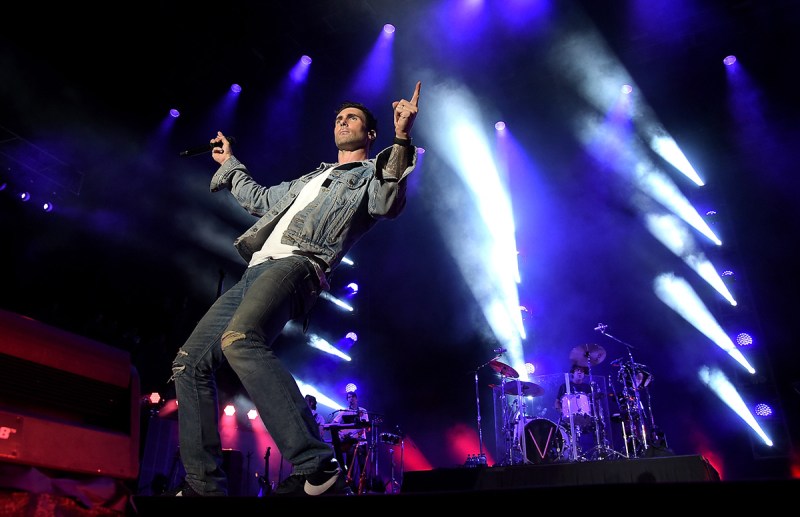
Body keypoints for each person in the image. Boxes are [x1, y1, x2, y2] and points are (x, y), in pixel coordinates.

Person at [169, 81, 421, 497]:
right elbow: (260, 199)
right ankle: (203, 485)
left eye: (352, 118)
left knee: (241, 340)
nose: (342, 122)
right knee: (188, 363)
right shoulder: (311, 177)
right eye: (338, 118)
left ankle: (317, 465)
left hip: (301, 264)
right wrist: (230, 162)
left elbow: (387, 204)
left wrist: (403, 137)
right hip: (256, 268)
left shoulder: (371, 173)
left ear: (370, 133)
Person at [329, 391, 370, 490]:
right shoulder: (344, 411)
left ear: (356, 399)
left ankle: (363, 489)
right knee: (349, 466)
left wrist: (363, 429)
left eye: (352, 397)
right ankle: (350, 488)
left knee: (362, 466)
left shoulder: (363, 411)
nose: (350, 399)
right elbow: (333, 423)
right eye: (348, 397)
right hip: (349, 443)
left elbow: (366, 427)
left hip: (361, 442)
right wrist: (341, 434)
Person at [554, 364, 596, 457]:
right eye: (578, 370)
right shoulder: (565, 386)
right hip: (568, 418)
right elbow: (557, 402)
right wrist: (562, 411)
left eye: (582, 371)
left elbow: (591, 403)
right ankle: (567, 455)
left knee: (595, 427)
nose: (580, 372)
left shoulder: (587, 387)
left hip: (584, 417)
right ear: (573, 373)